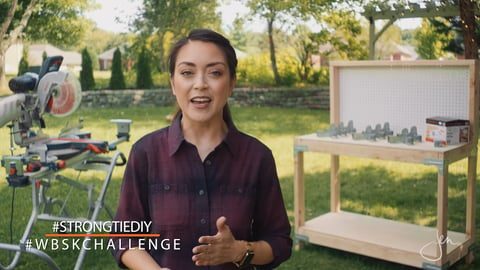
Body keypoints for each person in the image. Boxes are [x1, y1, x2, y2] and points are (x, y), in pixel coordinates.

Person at [110, 28, 292, 270]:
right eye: (187, 72)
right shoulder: (146, 153)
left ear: (231, 84)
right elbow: (124, 235)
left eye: (215, 73)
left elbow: (279, 242)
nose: (200, 84)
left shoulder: (257, 157)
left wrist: (240, 250)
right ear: (173, 83)